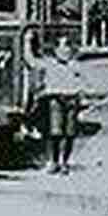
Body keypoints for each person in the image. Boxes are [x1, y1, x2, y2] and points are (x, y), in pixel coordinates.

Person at [37, 35, 83, 174]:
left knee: (70, 133)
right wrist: (27, 41)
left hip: (72, 100)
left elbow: (82, 82)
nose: (65, 51)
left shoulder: (75, 65)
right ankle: (54, 161)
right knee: (55, 132)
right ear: (56, 50)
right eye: (61, 47)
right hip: (55, 100)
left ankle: (65, 162)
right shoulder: (49, 63)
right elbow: (32, 61)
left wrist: (81, 97)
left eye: (67, 47)